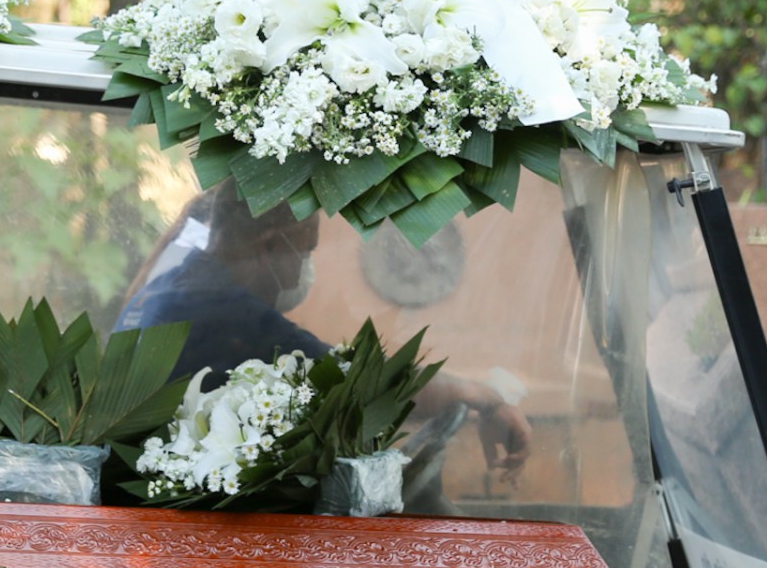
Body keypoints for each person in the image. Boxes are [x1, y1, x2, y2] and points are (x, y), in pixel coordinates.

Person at [115, 185, 531, 478]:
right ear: (272, 246)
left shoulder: (179, 284)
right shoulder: (221, 309)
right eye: (307, 249)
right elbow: (360, 382)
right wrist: (481, 396)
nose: (305, 268)